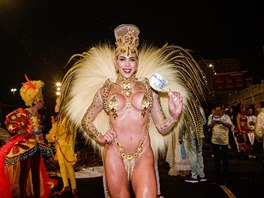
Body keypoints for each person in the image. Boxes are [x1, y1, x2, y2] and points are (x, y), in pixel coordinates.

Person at [59, 24, 207, 197]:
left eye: (132, 59)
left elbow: (162, 127)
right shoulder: (105, 90)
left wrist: (174, 116)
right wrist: (100, 136)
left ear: (137, 62)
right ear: (116, 63)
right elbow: (86, 120)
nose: (127, 64)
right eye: (122, 59)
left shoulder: (149, 89)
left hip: (142, 154)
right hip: (115, 154)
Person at [0, 75, 56, 198]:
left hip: (36, 146)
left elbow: (38, 131)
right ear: (37, 101)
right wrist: (20, 131)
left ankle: (36, 195)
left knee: (35, 172)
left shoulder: (38, 115)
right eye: (42, 100)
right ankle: (22, 194)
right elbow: (9, 119)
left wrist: (40, 137)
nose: (44, 102)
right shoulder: (23, 112)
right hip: (25, 146)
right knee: (24, 173)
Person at [46, 96, 78, 197]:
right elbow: (54, 130)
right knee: (62, 166)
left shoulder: (69, 117)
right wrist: (53, 135)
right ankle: (66, 185)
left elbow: (69, 132)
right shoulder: (59, 117)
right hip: (59, 145)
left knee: (68, 166)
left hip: (66, 145)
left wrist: (58, 136)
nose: (56, 106)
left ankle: (74, 188)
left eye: (58, 104)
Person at [207, 104, 234, 175]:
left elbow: (230, 125)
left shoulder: (226, 117)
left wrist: (222, 122)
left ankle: (226, 170)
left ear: (222, 111)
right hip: (215, 139)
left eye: (219, 110)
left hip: (224, 140)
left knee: (225, 156)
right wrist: (213, 123)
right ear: (214, 111)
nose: (218, 112)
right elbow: (208, 126)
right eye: (217, 110)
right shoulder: (211, 117)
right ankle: (217, 170)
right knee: (216, 156)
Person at [184, 104, 207, 183]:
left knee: (193, 155)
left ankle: (194, 176)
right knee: (199, 154)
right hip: (200, 134)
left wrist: (180, 136)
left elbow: (184, 124)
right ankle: (202, 175)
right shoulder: (200, 108)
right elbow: (204, 122)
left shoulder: (187, 108)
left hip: (191, 134)